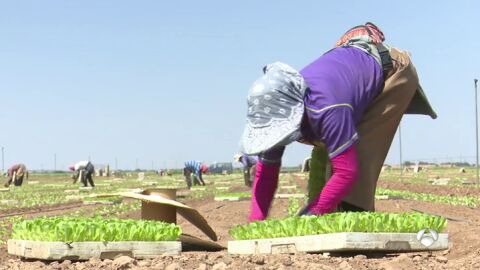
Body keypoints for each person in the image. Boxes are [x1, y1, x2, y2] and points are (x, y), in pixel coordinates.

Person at [239, 22, 437, 221]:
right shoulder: (278, 107)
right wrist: (255, 223)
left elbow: (347, 172)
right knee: (325, 157)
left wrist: (311, 214)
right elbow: (266, 173)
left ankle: (355, 218)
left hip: (392, 72)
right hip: (350, 78)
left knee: (358, 154)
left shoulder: (328, 107)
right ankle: (325, 212)